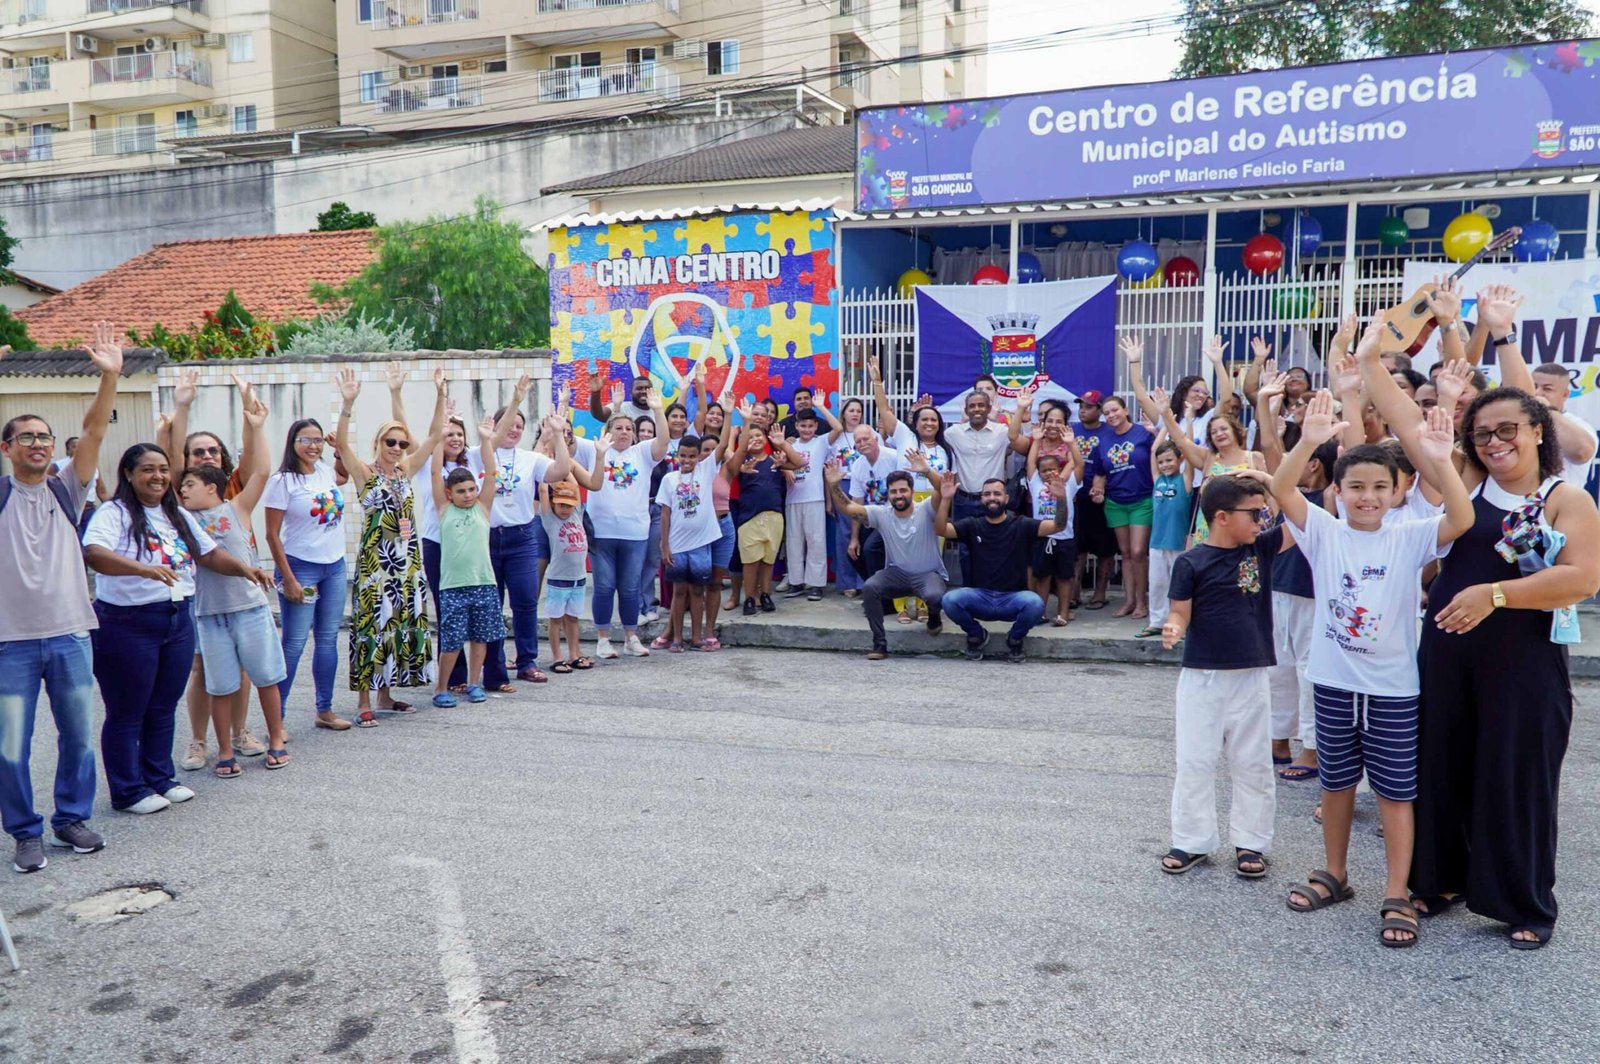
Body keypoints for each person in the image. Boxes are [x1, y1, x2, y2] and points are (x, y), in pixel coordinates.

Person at [1359, 313, 1600, 950]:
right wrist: (1366, 363)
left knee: (1516, 776)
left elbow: (1581, 580)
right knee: (1438, 766)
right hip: (1446, 654)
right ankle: (1436, 881)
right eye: (1482, 432)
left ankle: (1522, 901)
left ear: (1537, 431)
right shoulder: (1466, 483)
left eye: (1508, 430)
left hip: (1523, 662)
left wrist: (1495, 594)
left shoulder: (1564, 499)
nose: (1495, 442)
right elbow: (1408, 427)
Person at [1270, 392, 1473, 948]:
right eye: (1355, 486)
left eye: (1380, 487)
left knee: (1394, 793)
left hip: (1392, 691)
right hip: (1334, 684)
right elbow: (1282, 488)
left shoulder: (1409, 536)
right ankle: (1335, 874)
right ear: (1337, 491)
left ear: (1398, 491)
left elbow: (1462, 516)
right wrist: (1308, 441)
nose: (1367, 496)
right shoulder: (1323, 532)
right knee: (1335, 784)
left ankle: (1396, 890)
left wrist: (1440, 455)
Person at [83, 444, 273, 814]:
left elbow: (209, 554)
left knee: (162, 705)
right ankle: (127, 790)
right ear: (128, 474)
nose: (157, 477)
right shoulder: (115, 512)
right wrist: (142, 569)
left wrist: (247, 569)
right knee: (127, 710)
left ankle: (159, 778)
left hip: (176, 618)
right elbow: (93, 553)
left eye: (163, 469)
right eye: (147, 470)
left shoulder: (175, 515)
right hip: (128, 623)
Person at [1, 321, 120, 873]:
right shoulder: (3, 494)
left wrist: (111, 378)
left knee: (78, 737)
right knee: (11, 748)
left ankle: (70, 817)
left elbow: (94, 433)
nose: (39, 444)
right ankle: (24, 833)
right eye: (27, 437)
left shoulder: (65, 487)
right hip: (11, 643)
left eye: (45, 437)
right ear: (7, 448)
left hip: (72, 633)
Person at [1158, 471, 1288, 879]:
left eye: (1264, 511)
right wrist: (1174, 627)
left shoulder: (1261, 549)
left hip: (1250, 674)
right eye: (1254, 512)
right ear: (1221, 517)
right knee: (1195, 759)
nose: (1262, 519)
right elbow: (1180, 609)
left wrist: (1270, 480)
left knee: (1253, 763)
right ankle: (1191, 839)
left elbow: (1305, 520)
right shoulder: (1190, 561)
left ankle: (1252, 841)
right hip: (1203, 675)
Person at [164, 372, 271, 770]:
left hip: (239, 593)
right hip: (199, 594)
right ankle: (197, 741)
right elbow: (172, 456)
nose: (206, 456)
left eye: (212, 451)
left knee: (240, 665)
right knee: (200, 666)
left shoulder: (232, 492)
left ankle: (240, 732)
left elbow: (256, 460)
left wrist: (250, 409)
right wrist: (183, 407)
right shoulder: (182, 495)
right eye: (198, 452)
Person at [178, 401, 291, 777]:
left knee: (265, 676)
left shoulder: (236, 507)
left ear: (212, 486)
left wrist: (258, 425)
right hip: (209, 615)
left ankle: (275, 739)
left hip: (249, 609)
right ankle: (224, 751)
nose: (183, 490)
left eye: (189, 485)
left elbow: (261, 469)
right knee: (219, 684)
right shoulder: (182, 518)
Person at [333, 367, 447, 727]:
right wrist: (348, 404)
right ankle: (365, 700)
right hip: (376, 566)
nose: (397, 448)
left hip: (407, 564)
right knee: (371, 626)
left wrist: (440, 393)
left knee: (399, 625)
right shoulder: (366, 473)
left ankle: (386, 694)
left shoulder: (407, 470)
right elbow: (341, 446)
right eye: (390, 442)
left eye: (400, 443)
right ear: (378, 444)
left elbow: (433, 436)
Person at [469, 387, 573, 691]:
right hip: (487, 537)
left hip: (522, 536)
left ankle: (527, 661)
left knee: (526, 600)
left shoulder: (530, 459)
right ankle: (495, 666)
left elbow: (561, 470)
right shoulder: (478, 456)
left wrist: (556, 435)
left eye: (519, 426)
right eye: (509, 424)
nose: (514, 430)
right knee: (491, 603)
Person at [264, 416, 350, 731]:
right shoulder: (282, 481)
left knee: (328, 640)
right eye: (306, 440)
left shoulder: (325, 471)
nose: (313, 445)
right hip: (301, 567)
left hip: (335, 566)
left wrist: (338, 449)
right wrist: (288, 579)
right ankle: (278, 719)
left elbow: (343, 474)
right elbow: (272, 535)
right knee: (294, 642)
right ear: (292, 443)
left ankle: (324, 710)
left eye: (317, 440)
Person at [935, 474, 1069, 663]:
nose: (992, 498)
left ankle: (1015, 639)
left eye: (997, 494)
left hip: (1012, 599)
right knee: (949, 600)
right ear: (981, 499)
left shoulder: (1022, 524)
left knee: (1036, 604)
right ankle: (976, 635)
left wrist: (1061, 498)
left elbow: (1058, 526)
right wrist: (946, 499)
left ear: (1006, 498)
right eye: (987, 494)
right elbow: (941, 530)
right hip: (980, 597)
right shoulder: (973, 525)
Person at [825, 462, 950, 659]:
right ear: (888, 494)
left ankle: (933, 618)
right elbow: (849, 508)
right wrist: (833, 486)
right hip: (897, 574)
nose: (898, 495)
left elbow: (941, 490)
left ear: (912, 491)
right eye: (893, 492)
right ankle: (879, 644)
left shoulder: (926, 509)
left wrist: (926, 470)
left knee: (935, 597)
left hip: (927, 575)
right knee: (870, 587)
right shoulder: (882, 514)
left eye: (903, 490)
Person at [427, 417, 505, 707]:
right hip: (453, 587)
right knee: (451, 641)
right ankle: (441, 687)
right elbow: (436, 471)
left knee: (480, 638)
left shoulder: (483, 507)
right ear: (449, 493)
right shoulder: (445, 509)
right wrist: (440, 436)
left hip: (483, 583)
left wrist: (486, 439)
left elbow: (492, 473)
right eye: (461, 491)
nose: (468, 495)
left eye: (471, 489)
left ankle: (475, 682)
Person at [588, 400, 669, 659]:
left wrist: (658, 410)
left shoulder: (642, 452)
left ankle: (630, 637)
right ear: (608, 431)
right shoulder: (594, 450)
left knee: (630, 587)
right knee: (603, 586)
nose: (624, 432)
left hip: (635, 534)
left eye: (628, 428)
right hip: (601, 534)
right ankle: (602, 638)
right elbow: (563, 444)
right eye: (619, 427)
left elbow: (664, 442)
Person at [1087, 393, 1156, 619]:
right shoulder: (1103, 441)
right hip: (1115, 502)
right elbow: (1099, 474)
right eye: (1106, 413)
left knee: (1138, 552)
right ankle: (1129, 601)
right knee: (1125, 553)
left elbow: (1163, 457)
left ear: (1126, 410)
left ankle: (1142, 602)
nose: (1111, 415)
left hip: (1142, 499)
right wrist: (1097, 491)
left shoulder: (1143, 433)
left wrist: (1157, 432)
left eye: (1115, 410)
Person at [656, 433, 722, 651]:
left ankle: (696, 637)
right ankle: (676, 638)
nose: (687, 460)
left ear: (698, 457)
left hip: (700, 545)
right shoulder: (669, 479)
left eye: (692, 456)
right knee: (679, 591)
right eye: (683, 456)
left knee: (697, 591)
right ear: (677, 455)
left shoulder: (705, 472)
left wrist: (730, 414)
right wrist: (664, 545)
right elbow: (665, 514)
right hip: (677, 545)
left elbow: (722, 447)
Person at [944, 390, 1012, 584]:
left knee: (995, 547)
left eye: (981, 405)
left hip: (991, 501)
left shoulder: (1002, 432)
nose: (977, 409)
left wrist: (1023, 414)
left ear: (989, 408)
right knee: (965, 550)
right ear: (966, 410)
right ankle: (969, 591)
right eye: (972, 406)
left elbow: (1020, 442)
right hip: (963, 500)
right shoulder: (952, 433)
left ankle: (994, 591)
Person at [734, 416, 799, 615]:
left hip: (774, 517)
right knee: (750, 560)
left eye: (759, 435)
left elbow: (799, 463)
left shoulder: (776, 459)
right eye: (750, 437)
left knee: (767, 560)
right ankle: (750, 598)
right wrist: (742, 466)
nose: (755, 439)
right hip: (749, 517)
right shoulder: (742, 461)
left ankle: (765, 594)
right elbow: (730, 468)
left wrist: (782, 445)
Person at [1070, 390, 1117, 611]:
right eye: (1081, 406)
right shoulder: (1072, 430)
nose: (1083, 410)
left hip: (1103, 497)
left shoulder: (1110, 431)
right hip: (1076, 496)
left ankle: (1100, 593)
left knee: (1104, 548)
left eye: (1089, 406)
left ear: (1100, 410)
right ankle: (1074, 593)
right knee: (1077, 548)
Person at [1142, 437, 1192, 640]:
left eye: (1169, 460)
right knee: (1157, 583)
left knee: (1178, 585)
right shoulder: (1158, 480)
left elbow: (1187, 448)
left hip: (1178, 543)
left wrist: (1187, 420)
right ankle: (1157, 621)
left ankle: (1180, 621)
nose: (1165, 465)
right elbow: (1154, 448)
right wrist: (1163, 420)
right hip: (1157, 542)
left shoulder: (1185, 480)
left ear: (1179, 459)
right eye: (1161, 461)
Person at [541, 479, 592, 673]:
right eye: (561, 504)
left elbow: (575, 490)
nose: (565, 509)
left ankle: (573, 654)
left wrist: (568, 468)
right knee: (555, 619)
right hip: (559, 579)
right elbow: (543, 490)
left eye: (568, 506)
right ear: (554, 503)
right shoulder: (550, 519)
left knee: (573, 618)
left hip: (578, 578)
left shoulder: (577, 514)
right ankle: (557, 657)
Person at [1025, 448, 1081, 626]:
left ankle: (1063, 612)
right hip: (1042, 538)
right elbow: (1030, 464)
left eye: (1053, 469)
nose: (1049, 473)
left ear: (1060, 469)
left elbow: (1079, 464)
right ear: (1039, 473)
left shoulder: (1068, 484)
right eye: (1045, 470)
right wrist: (1037, 441)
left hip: (1065, 538)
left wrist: (1070, 444)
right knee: (1042, 576)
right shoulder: (1036, 485)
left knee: (1064, 577)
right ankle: (1039, 612)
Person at [780, 410, 831, 599]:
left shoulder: (821, 442)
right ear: (796, 426)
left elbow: (839, 428)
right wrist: (786, 470)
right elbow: (780, 465)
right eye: (803, 425)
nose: (807, 429)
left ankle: (816, 584)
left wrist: (820, 406)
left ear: (816, 426)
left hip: (815, 498)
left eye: (810, 426)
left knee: (816, 541)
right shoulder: (790, 445)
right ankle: (796, 582)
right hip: (793, 498)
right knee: (794, 541)